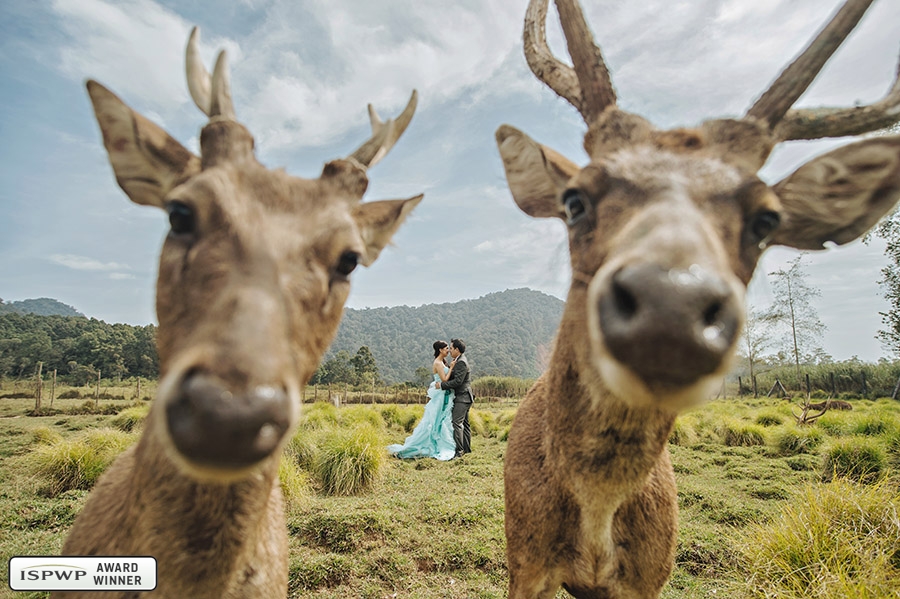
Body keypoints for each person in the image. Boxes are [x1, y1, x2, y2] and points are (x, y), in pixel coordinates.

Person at [387, 341, 457, 460]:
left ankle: (440, 442)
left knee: (441, 420)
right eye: (446, 348)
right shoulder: (438, 363)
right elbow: (444, 380)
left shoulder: (442, 362)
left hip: (444, 393)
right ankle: (432, 444)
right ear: (440, 350)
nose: (448, 351)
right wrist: (452, 368)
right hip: (440, 396)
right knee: (436, 420)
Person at [439, 338, 472, 458]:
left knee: (457, 423)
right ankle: (467, 449)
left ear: (457, 349)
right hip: (465, 397)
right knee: (465, 424)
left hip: (462, 397)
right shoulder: (458, 360)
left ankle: (459, 451)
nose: (450, 351)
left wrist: (442, 385)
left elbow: (458, 381)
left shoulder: (461, 362)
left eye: (451, 348)